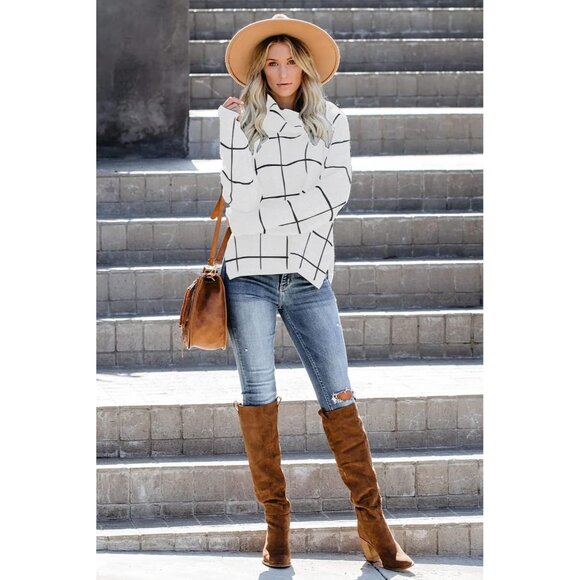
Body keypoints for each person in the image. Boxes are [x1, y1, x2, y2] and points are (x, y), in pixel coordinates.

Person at [216, 13, 414, 572]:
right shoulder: (236, 121)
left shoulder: (333, 120)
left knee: (339, 395)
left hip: (309, 274)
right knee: (258, 397)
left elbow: (335, 194)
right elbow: (239, 203)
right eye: (271, 63)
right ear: (260, 71)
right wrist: (293, 205)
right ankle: (277, 530)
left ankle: (374, 529)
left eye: (291, 61)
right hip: (248, 275)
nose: (282, 72)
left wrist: (267, 215)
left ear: (306, 66)